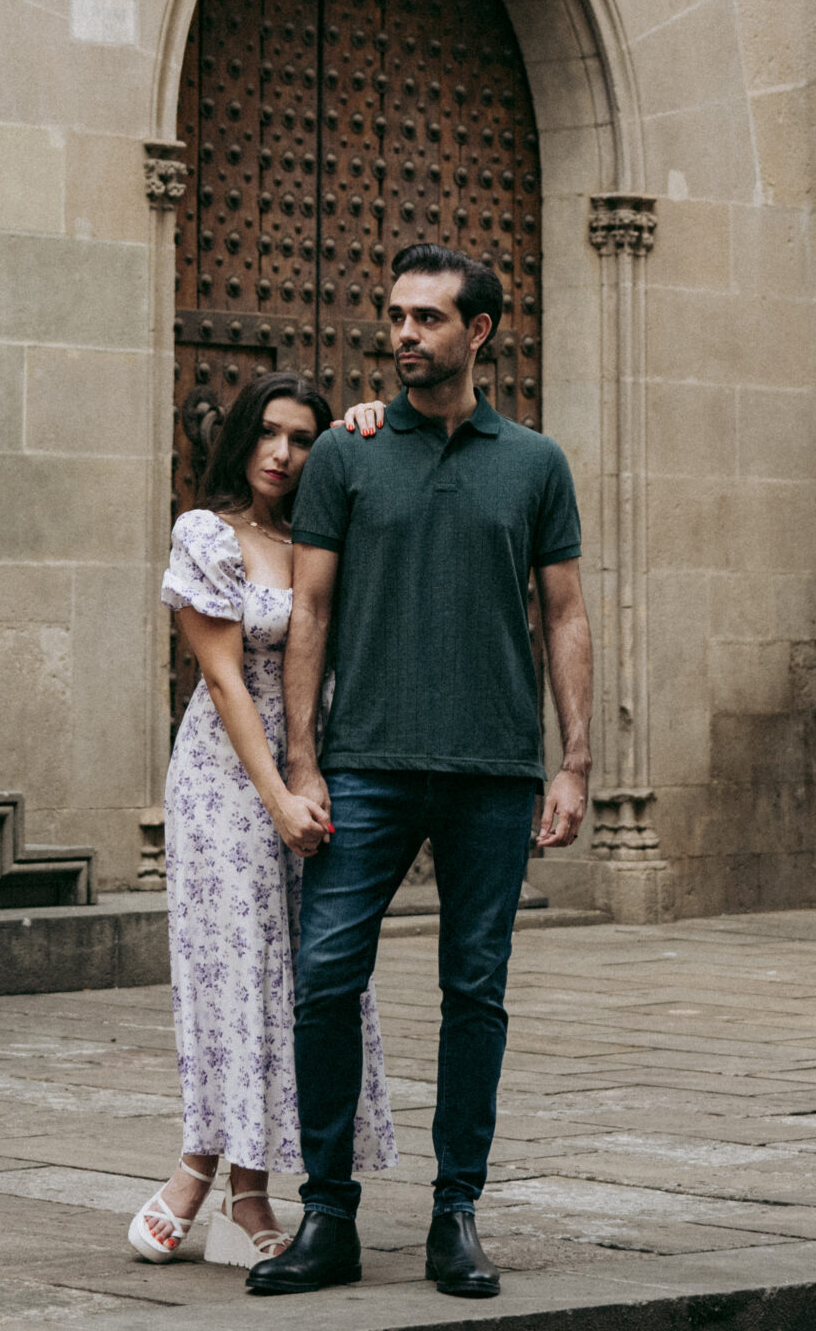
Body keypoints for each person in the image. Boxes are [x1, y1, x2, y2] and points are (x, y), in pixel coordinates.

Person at [246, 244, 594, 1302]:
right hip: (367, 765)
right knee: (325, 979)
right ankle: (330, 1217)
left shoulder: (535, 463)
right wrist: (304, 757)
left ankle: (457, 1215)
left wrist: (573, 762)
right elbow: (308, 611)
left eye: (427, 318)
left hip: (494, 766)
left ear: (478, 330)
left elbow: (566, 612)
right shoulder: (349, 456)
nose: (403, 334)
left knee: (474, 993)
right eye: (395, 314)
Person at [128, 373, 397, 1269]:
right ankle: (241, 1195)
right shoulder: (207, 534)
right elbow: (223, 678)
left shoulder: (323, 536)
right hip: (227, 778)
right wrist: (277, 793)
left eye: (304, 439)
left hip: (318, 767)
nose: (283, 455)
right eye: (269, 435)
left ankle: (204, 1178)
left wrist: (372, 423)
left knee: (313, 976)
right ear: (242, 439)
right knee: (236, 972)